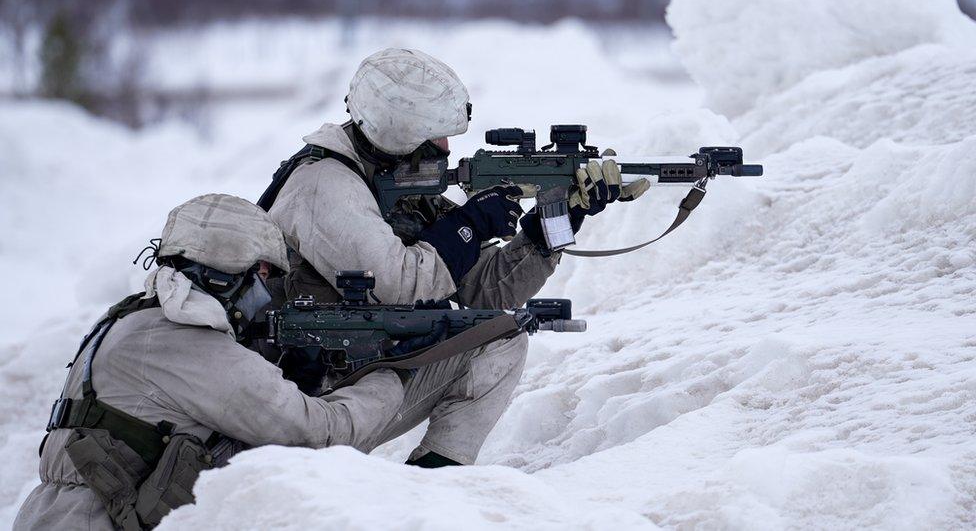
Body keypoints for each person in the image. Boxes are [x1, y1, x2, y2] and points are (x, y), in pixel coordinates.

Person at [263, 48, 649, 468]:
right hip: (306, 401)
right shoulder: (324, 186)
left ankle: (436, 482)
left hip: (361, 370)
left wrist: (552, 225)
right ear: (401, 134)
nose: (447, 148)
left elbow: (487, 292)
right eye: (436, 136)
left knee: (501, 336)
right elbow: (403, 283)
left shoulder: (391, 181)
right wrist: (469, 224)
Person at [14, 194, 411, 530]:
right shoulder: (189, 345)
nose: (264, 289)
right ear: (226, 275)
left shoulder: (133, 320)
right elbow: (317, 433)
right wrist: (389, 373)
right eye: (261, 273)